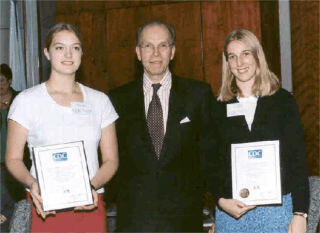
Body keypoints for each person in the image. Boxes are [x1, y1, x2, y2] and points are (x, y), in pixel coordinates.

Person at [5, 23, 119, 232]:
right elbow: (12, 159)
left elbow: (111, 160)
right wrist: (32, 183)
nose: (68, 54)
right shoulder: (26, 101)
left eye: (75, 48)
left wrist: (90, 186)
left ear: (82, 53)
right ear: (47, 53)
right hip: (45, 206)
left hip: (90, 204)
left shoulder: (100, 101)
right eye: (59, 47)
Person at [109, 20, 215, 232]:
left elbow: (210, 154)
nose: (155, 53)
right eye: (148, 46)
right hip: (135, 220)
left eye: (163, 45)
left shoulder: (198, 95)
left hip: (184, 218)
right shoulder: (116, 99)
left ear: (173, 51)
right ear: (138, 52)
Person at [208, 29, 310, 233]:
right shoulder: (217, 106)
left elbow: (297, 159)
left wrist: (300, 213)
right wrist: (219, 201)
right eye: (232, 56)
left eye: (246, 53)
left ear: (257, 56)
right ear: (227, 63)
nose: (240, 62)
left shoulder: (283, 101)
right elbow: (210, 162)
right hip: (232, 212)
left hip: (277, 210)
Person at [0, 64, 25, 232]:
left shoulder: (21, 100)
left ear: (9, 81)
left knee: (17, 204)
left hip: (17, 161)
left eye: (1, 80)